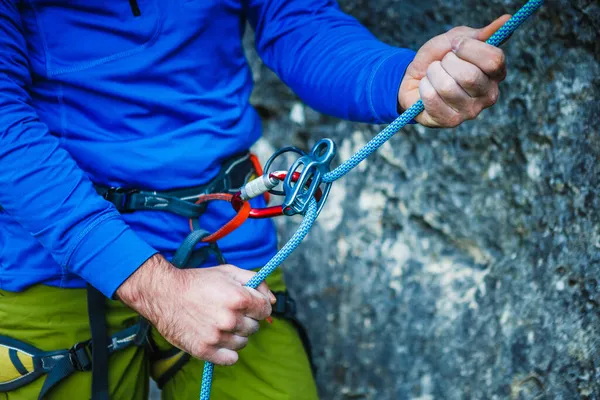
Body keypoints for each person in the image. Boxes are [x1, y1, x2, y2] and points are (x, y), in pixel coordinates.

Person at [0, 0, 508, 398]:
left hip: (227, 246)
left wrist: (399, 79)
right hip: (56, 253)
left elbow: (297, 19)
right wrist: (155, 287)